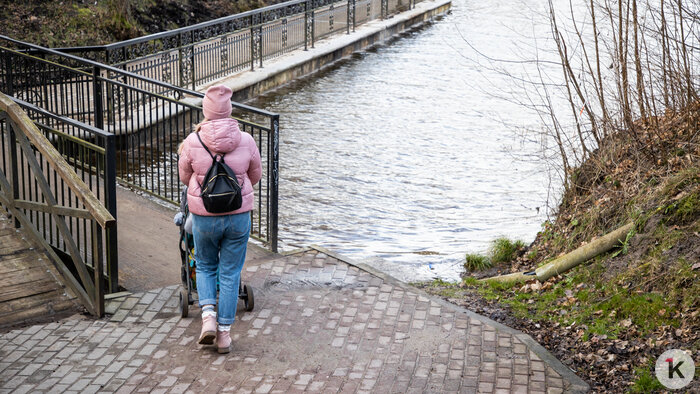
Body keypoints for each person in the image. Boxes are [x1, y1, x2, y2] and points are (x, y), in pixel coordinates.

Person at [178, 85, 262, 353]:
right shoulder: (246, 140)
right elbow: (255, 175)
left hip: (205, 217)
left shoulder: (193, 141)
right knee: (230, 272)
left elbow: (184, 177)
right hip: (238, 216)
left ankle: (208, 320)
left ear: (206, 110)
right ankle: (224, 335)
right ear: (229, 110)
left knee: (204, 266)